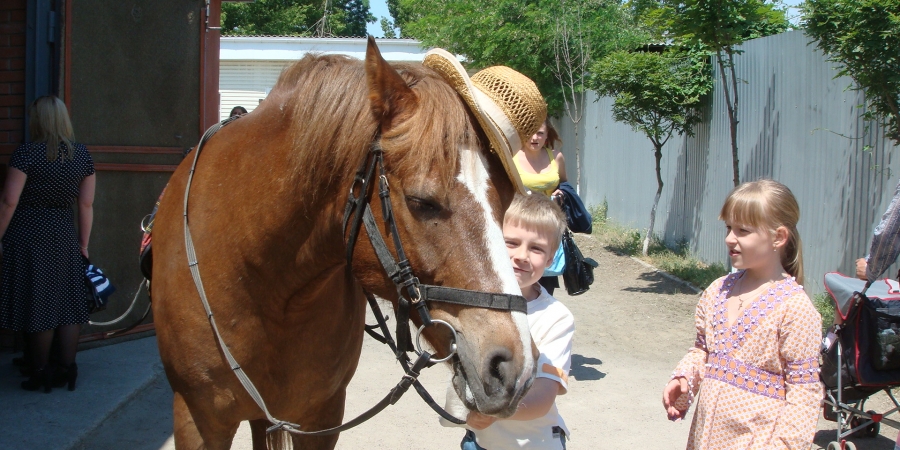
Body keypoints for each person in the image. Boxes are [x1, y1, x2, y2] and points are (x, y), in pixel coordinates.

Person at [662, 179, 822, 449]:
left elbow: (804, 391)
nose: (729, 238)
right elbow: (703, 350)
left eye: (743, 230)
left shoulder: (795, 308)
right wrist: (684, 377)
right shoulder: (718, 290)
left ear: (779, 237)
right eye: (728, 228)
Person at [461, 193, 575, 450]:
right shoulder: (474, 306)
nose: (521, 255)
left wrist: (493, 412)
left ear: (550, 258)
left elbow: (544, 397)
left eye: (536, 248)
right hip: (478, 443)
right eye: (511, 242)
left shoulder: (556, 318)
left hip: (535, 444)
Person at [0, 95, 96, 392]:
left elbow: (9, 201)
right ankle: (67, 369)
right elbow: (86, 205)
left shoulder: (26, 154)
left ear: (38, 120)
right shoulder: (81, 155)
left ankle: (40, 371)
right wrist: (83, 244)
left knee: (38, 303)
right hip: (63, 234)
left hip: (28, 235)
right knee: (68, 303)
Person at [513, 119, 568, 294]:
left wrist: (561, 193)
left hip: (547, 222)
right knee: (517, 271)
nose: (534, 138)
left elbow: (565, 183)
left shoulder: (556, 157)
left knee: (544, 271)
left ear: (546, 136)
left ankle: (542, 309)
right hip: (519, 222)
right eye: (530, 133)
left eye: (540, 133)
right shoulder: (511, 156)